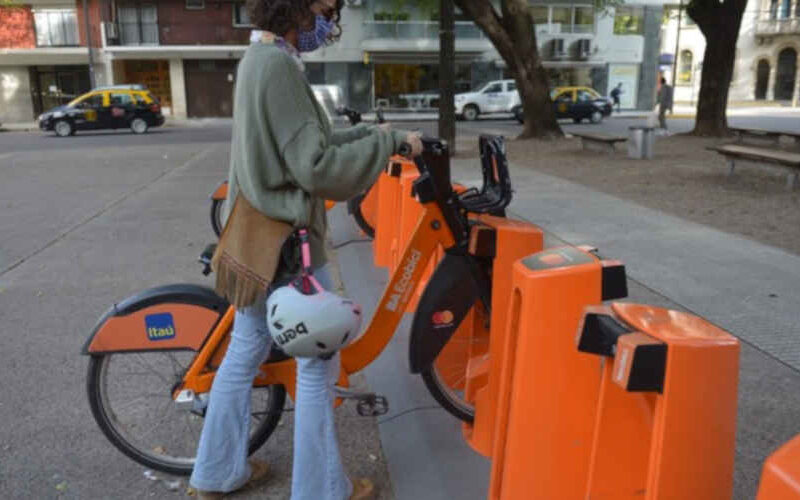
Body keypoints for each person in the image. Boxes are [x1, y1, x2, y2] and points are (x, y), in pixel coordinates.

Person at [188, 1, 423, 499]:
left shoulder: (258, 58)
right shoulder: (277, 66)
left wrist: (376, 136)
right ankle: (322, 491)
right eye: (323, 8)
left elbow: (307, 139)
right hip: (288, 246)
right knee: (317, 362)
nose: (327, 20)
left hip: (256, 237)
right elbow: (314, 165)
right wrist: (386, 147)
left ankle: (215, 473)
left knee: (246, 349)